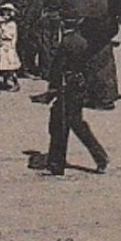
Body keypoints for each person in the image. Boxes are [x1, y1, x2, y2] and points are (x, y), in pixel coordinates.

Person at [42, 17, 109, 176]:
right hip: (78, 86)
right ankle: (99, 157)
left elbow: (58, 68)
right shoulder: (82, 41)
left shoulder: (66, 42)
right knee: (74, 123)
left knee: (62, 124)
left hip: (67, 87)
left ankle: (57, 164)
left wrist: (51, 88)